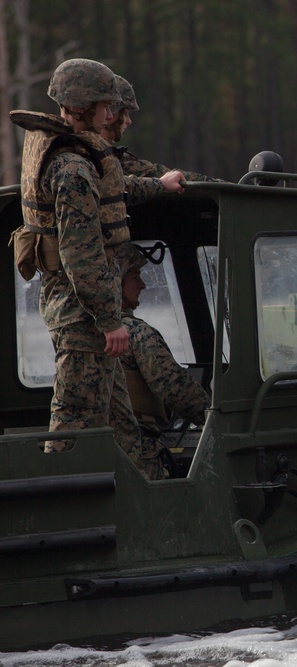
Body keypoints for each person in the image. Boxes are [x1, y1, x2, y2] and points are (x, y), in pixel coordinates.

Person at [10, 58, 184, 479]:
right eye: (108, 105)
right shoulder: (71, 168)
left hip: (78, 311)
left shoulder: (76, 157)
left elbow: (112, 190)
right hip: (82, 317)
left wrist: (158, 187)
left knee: (121, 424)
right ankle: (52, 518)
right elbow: (81, 253)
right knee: (71, 426)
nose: (113, 114)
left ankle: (155, 492)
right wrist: (110, 321)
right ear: (85, 106)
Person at [117, 243, 210, 475]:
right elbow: (174, 388)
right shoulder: (136, 333)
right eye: (135, 277)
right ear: (114, 281)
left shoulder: (82, 334)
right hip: (135, 450)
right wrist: (211, 412)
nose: (142, 285)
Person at [101, 75, 225, 183]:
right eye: (125, 113)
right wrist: (160, 184)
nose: (129, 121)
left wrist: (223, 186)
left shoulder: (112, 157)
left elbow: (156, 173)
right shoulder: (94, 157)